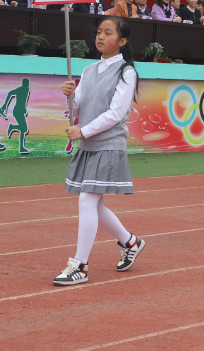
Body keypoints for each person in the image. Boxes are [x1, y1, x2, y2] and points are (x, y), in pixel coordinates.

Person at [54, 17, 145, 286]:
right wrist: (69, 95)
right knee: (95, 203)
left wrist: (82, 131)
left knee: (87, 200)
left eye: (108, 33)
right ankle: (131, 242)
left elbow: (116, 113)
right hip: (88, 145)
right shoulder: (89, 69)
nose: (101, 37)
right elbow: (77, 108)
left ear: (123, 41)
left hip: (108, 145)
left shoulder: (127, 72)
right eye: (99, 32)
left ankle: (79, 266)